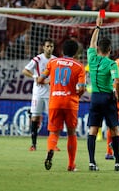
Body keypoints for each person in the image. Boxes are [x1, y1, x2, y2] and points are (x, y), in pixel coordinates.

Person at [37, 39, 86, 171]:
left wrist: (50, 83)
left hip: (54, 101)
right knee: (71, 133)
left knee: (54, 132)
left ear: (62, 51)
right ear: (76, 52)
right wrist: (76, 95)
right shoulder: (79, 66)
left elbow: (40, 79)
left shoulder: (53, 62)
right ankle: (71, 165)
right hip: (70, 102)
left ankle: (51, 149)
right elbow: (82, 88)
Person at [86, 15, 119, 171]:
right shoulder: (112, 63)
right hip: (108, 98)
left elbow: (92, 43)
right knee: (114, 129)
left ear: (98, 49)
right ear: (110, 50)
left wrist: (97, 27)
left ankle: (92, 162)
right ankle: (117, 162)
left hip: (95, 97)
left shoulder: (92, 58)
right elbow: (117, 81)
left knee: (93, 129)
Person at [22, 38, 60, 152]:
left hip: (50, 93)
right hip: (38, 92)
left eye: (51, 46)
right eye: (47, 46)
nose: (49, 48)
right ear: (43, 47)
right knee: (35, 117)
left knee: (52, 118)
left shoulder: (56, 60)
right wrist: (35, 77)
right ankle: (33, 144)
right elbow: (25, 70)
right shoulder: (38, 59)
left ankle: (53, 144)